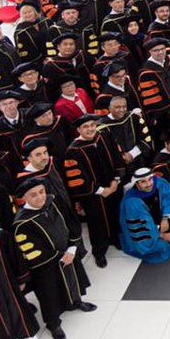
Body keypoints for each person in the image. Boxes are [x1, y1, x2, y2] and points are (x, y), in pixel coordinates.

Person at [11, 177, 96, 339]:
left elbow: (71, 221)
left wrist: (72, 248)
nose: (40, 197)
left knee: (73, 280)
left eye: (42, 192)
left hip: (68, 253)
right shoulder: (22, 223)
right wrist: (63, 255)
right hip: (46, 266)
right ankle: (53, 323)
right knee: (49, 294)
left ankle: (76, 302)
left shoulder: (53, 202)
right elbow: (32, 251)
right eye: (34, 195)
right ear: (24, 199)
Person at [61, 114, 122, 267]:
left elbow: (117, 157)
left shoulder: (104, 137)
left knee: (115, 214)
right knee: (97, 223)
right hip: (93, 195)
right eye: (85, 127)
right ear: (79, 130)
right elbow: (77, 179)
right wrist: (101, 190)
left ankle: (116, 238)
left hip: (113, 186)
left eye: (92, 125)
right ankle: (99, 251)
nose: (90, 129)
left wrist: (116, 179)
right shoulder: (72, 151)